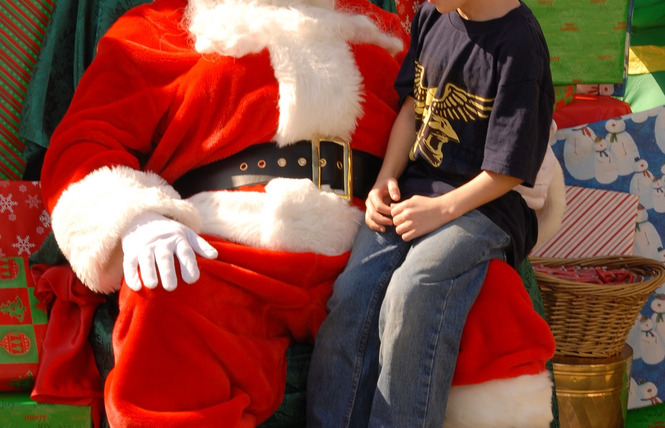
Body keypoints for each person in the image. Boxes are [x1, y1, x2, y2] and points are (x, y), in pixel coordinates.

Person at [38, 0, 408, 425]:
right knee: (165, 291)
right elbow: (84, 143)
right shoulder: (158, 27)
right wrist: (135, 218)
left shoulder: (386, 32)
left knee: (477, 296)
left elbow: (448, 130)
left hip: (373, 244)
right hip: (225, 243)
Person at [307, 0, 556, 427]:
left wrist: (441, 210)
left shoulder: (520, 46)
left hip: (487, 206)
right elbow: (412, 109)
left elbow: (509, 171)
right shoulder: (432, 15)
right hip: (419, 190)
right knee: (355, 289)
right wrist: (385, 178)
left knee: (414, 288)